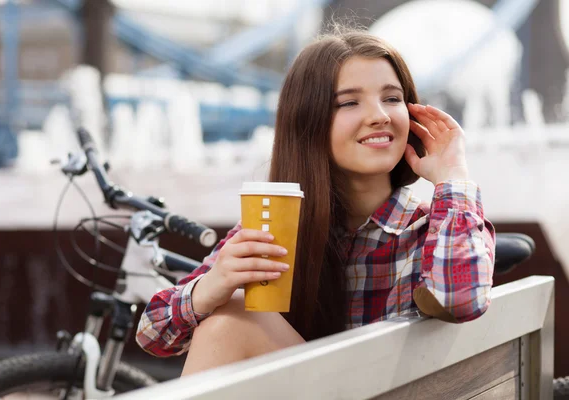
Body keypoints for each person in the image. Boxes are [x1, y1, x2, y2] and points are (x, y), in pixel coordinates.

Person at [135, 28, 495, 376]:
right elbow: (151, 333)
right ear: (309, 123)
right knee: (228, 314)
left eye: (391, 98)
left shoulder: (436, 229)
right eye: (349, 102)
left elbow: (461, 299)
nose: (379, 115)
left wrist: (453, 177)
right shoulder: (278, 226)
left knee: (228, 324)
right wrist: (211, 287)